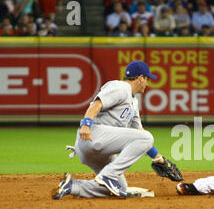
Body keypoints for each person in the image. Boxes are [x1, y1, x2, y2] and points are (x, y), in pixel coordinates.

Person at [52, 61, 182, 200]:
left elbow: (139, 133)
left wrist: (159, 159)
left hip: (98, 149)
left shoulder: (134, 102)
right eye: (147, 79)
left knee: (120, 188)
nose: (148, 83)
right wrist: (86, 125)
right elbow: (97, 103)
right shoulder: (120, 87)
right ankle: (108, 175)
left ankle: (73, 186)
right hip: (93, 135)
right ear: (140, 78)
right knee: (147, 137)